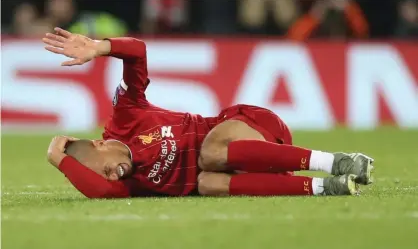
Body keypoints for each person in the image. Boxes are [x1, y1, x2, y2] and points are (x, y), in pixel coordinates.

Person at [43, 28, 374, 199]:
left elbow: (138, 52)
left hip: (248, 126)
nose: (113, 177)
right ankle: (324, 188)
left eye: (106, 170)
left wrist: (100, 48)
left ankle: (337, 162)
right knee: (207, 182)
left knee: (211, 155)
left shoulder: (125, 119)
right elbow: (102, 192)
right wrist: (57, 158)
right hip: (254, 168)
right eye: (108, 179)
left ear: (101, 145)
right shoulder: (129, 183)